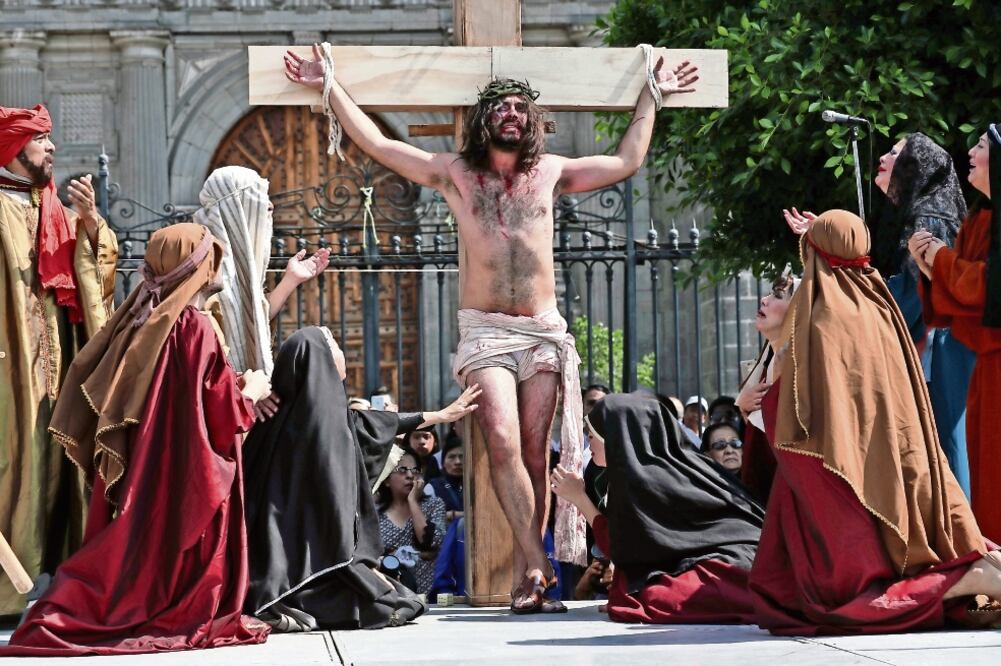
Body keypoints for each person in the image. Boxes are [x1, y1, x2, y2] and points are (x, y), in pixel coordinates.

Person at [283, 44, 698, 613]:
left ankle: (533, 569)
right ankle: (536, 563)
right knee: (500, 439)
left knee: (534, 454)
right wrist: (329, 86)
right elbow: (381, 145)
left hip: (543, 330)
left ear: (532, 123)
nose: (512, 113)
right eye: (501, 106)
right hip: (486, 332)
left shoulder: (551, 173)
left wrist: (652, 94)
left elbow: (626, 160)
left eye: (521, 108)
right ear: (484, 120)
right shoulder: (456, 174)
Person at [4, 223, 272, 655]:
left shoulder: (155, 320)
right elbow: (220, 415)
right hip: (190, 474)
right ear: (195, 266)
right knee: (184, 576)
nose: (218, 264)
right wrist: (251, 391)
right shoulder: (195, 325)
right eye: (211, 255)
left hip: (158, 466)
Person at [751, 209, 1001, 636]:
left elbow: (794, 410)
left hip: (849, 474)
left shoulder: (822, 318)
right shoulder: (877, 300)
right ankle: (966, 574)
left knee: (842, 597)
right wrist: (822, 233)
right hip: (899, 462)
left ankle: (962, 580)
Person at [242, 327, 480, 631]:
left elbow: (379, 424)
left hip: (274, 567)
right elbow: (374, 426)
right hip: (311, 563)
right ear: (321, 360)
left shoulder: (279, 418)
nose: (341, 353)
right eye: (333, 345)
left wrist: (440, 415)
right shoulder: (295, 418)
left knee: (398, 599)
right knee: (391, 603)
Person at [785, 131, 974, 497]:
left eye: (895, 152)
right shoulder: (914, 213)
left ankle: (962, 540)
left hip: (941, 352)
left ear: (913, 166)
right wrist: (825, 237)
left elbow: (911, 292)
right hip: (935, 347)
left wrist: (861, 320)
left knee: (944, 443)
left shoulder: (929, 217)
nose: (884, 157)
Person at [0, 104, 118, 616]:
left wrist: (92, 224)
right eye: (41, 139)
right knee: (14, 470)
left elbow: (99, 276)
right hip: (10, 374)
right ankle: (8, 590)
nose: (52, 148)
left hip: (61, 369)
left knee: (65, 466)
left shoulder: (57, 213)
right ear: (13, 149)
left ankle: (65, 578)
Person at [552, 393, 764, 624]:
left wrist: (579, 499)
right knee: (642, 593)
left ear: (616, 437)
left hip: (737, 565)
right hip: (714, 563)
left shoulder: (649, 477)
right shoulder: (633, 472)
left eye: (593, 432)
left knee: (653, 597)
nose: (588, 439)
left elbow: (623, 548)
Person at [913, 124, 1001, 543]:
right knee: (986, 470)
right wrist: (932, 266)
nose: (970, 151)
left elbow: (987, 285)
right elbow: (961, 298)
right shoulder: (979, 219)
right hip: (985, 364)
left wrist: (939, 259)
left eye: (981, 145)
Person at [195, 165, 329, 381]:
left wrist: (290, 280)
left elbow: (248, 319)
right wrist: (241, 389)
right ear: (236, 204)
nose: (269, 205)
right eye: (257, 196)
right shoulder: (200, 264)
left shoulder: (235, 263)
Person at [735, 273, 798, 503]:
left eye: (778, 296)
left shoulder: (801, 364)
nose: (764, 300)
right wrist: (744, 407)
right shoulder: (765, 363)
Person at [377, 451, 448, 595]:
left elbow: (431, 542)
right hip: (391, 595)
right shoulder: (375, 515)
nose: (410, 476)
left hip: (432, 597)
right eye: (402, 470)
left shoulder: (434, 505)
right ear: (386, 480)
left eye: (415, 470)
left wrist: (413, 501)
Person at [428, 435, 464, 522]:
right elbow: (426, 519)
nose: (457, 462)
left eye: (462, 456)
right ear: (443, 462)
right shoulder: (432, 487)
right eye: (452, 457)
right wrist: (452, 515)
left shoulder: (479, 486)